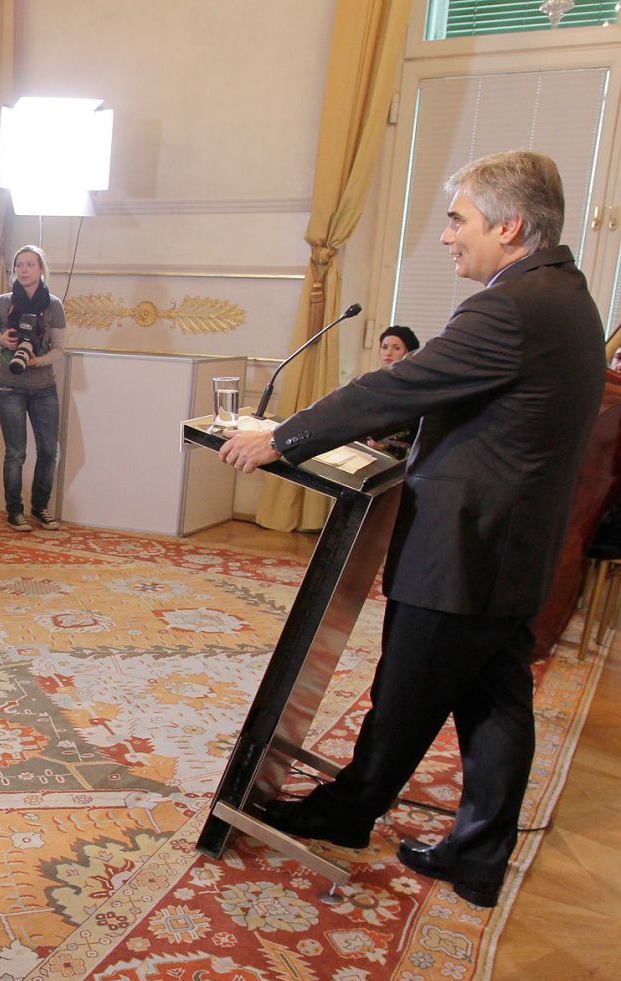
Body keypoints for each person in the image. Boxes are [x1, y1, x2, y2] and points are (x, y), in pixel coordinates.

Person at [219, 150, 605, 908]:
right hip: (513, 549)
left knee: (403, 693)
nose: (447, 236)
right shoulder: (568, 298)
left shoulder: (510, 307)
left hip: (464, 552)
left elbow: (402, 386)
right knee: (496, 701)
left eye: (459, 219)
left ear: (510, 225)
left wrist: (283, 437)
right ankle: (478, 853)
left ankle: (349, 812)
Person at [0, 244, 67, 532]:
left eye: (30, 264)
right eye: (20, 265)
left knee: (49, 451)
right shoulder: (2, 303)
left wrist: (36, 361)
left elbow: (60, 349)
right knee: (16, 452)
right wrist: (2, 342)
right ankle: (14, 511)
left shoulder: (53, 305)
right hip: (8, 387)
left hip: (44, 387)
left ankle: (40, 508)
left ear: (41, 269)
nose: (24, 270)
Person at [368, 324, 423, 456]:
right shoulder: (371, 383)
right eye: (384, 347)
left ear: (409, 352)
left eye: (396, 348)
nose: (388, 353)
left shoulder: (418, 389)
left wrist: (388, 443)